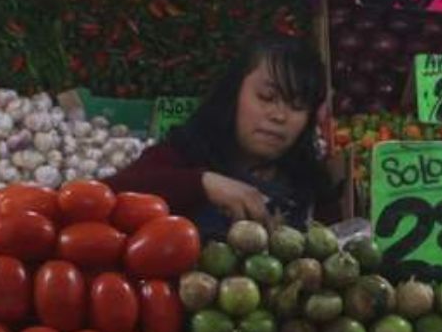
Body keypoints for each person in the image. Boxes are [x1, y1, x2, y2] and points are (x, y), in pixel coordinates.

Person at [103, 36, 339, 237]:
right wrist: (202, 184)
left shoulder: (313, 190)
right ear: (233, 94)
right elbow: (105, 197)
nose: (279, 116)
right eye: (267, 97)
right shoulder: (181, 154)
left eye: (297, 105)